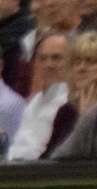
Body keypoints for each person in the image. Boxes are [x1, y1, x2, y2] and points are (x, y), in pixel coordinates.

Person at [7, 30, 76, 162]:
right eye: (43, 58)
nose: (48, 64)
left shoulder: (72, 104)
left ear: (73, 61)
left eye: (56, 58)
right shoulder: (34, 101)